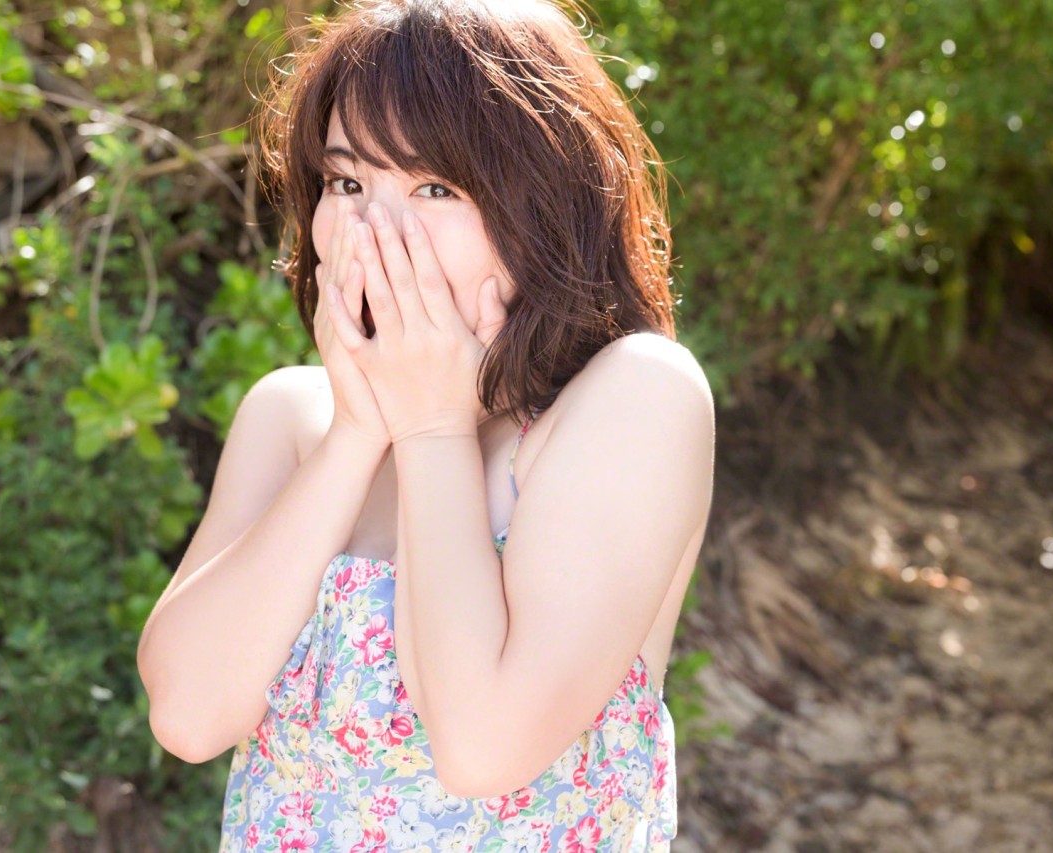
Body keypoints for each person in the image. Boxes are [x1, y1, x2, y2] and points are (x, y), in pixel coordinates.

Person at [135, 0, 715, 849]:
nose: (374, 228)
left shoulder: (633, 398)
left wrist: (434, 430)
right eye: (346, 183)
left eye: (434, 187)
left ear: (541, 205)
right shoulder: (293, 417)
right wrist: (357, 433)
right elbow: (187, 717)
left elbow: (484, 746)